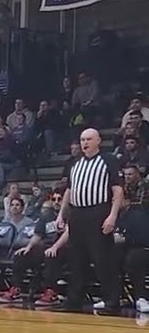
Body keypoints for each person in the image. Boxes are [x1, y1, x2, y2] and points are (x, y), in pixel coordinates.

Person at [57, 127, 124, 312]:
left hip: (98, 212)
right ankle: (74, 300)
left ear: (98, 141)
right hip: (77, 214)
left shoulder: (108, 160)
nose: (85, 143)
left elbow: (118, 190)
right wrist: (61, 213)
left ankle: (112, 301)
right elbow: (69, 190)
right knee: (76, 259)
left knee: (103, 259)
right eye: (82, 140)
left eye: (88, 139)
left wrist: (112, 215)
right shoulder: (75, 163)